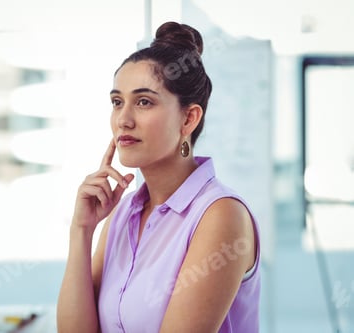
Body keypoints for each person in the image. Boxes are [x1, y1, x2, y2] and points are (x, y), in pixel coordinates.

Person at [57, 21, 260, 333]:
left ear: (189, 118)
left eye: (143, 102)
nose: (123, 120)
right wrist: (81, 230)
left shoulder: (221, 216)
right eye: (116, 102)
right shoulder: (121, 216)